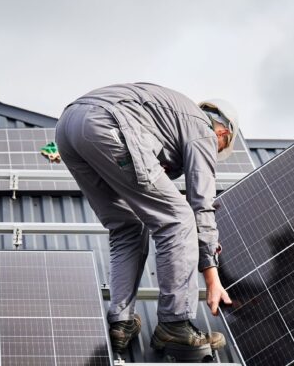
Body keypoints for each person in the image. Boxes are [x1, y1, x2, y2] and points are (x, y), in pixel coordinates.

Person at [54, 82, 235, 355]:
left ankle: (121, 320)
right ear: (223, 132)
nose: (214, 154)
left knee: (127, 225)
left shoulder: (170, 116)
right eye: (219, 149)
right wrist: (212, 277)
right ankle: (175, 323)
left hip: (68, 127)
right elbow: (201, 205)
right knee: (178, 218)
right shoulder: (203, 129)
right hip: (108, 122)